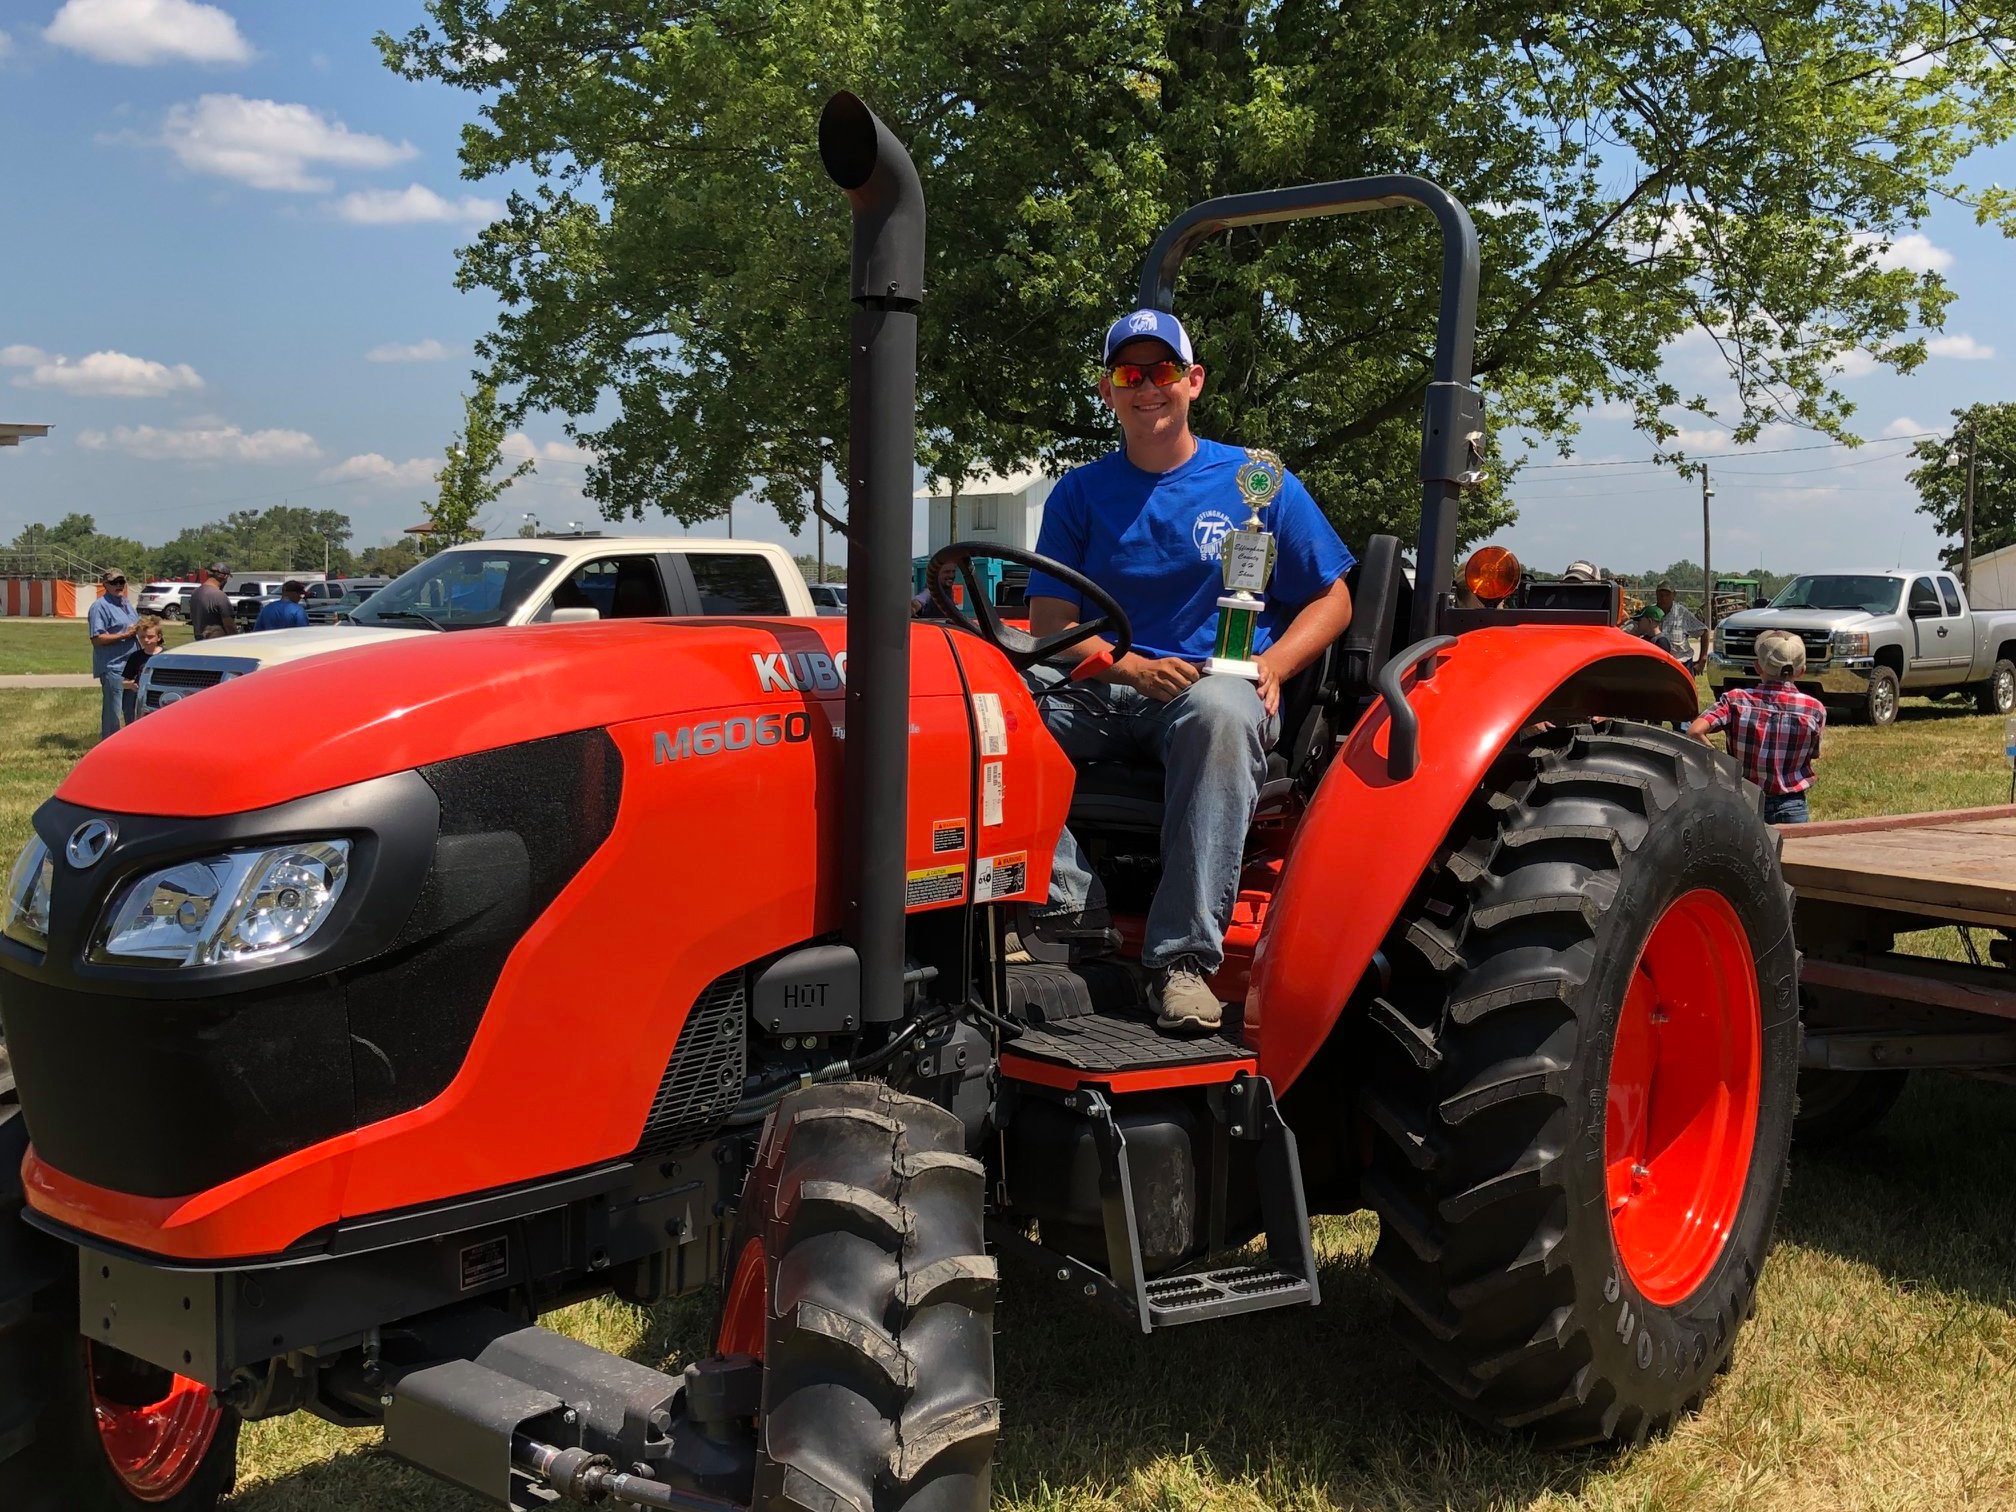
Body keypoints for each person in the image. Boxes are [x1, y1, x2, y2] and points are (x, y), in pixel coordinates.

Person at [1021, 308, 1356, 1033]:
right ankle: (1070, 902)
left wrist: (1274, 662)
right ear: (1108, 390)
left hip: (1215, 690)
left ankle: (1180, 962)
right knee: (980, 707)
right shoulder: (1080, 494)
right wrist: (1131, 668)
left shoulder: (1256, 482)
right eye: (1129, 374)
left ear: (1193, 381)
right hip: (1110, 689)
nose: (1148, 388)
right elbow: (1050, 628)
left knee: (1220, 712)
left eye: (1163, 371)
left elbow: (1334, 596)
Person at [1687, 629, 1824, 823]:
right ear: (1801, 671)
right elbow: (1814, 753)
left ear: (1757, 667)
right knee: (1794, 852)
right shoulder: (1814, 709)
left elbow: (1694, 731)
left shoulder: (1735, 700)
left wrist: (1724, 765)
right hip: (1792, 804)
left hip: (1745, 798)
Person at [86, 569, 139, 740]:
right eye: (114, 582)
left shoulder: (125, 603)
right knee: (113, 712)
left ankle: (132, 743)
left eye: (121, 582)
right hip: (113, 666)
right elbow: (97, 638)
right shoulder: (99, 607)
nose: (118, 585)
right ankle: (109, 745)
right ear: (105, 585)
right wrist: (124, 635)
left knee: (132, 708)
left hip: (131, 665)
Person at [121, 614, 164, 723]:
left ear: (159, 637)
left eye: (150, 637)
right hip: (139, 701)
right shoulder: (135, 657)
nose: (146, 640)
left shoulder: (167, 656)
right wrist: (131, 685)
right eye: (142, 637)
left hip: (161, 700)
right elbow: (124, 682)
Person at [188, 563, 236, 641]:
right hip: (217, 643)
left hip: (199, 642)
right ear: (225, 577)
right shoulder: (219, 596)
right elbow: (229, 625)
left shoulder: (195, 593)